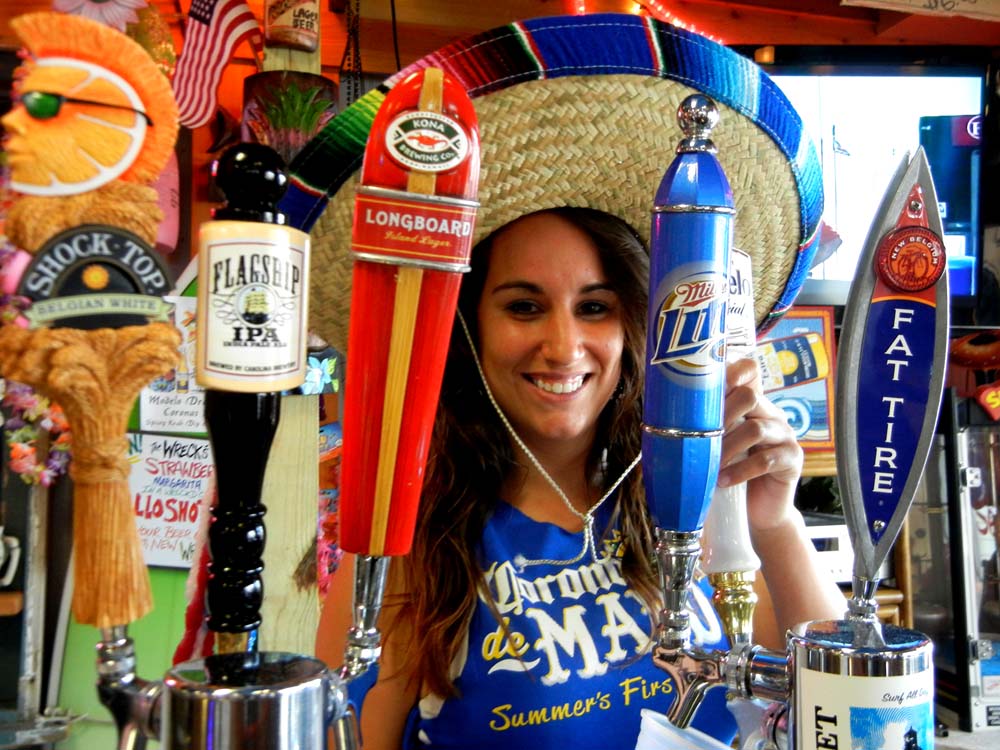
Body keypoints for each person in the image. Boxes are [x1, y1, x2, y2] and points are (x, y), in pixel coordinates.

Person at [298, 13, 839, 750]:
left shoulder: (695, 506)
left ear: (636, 329)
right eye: (524, 306)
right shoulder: (408, 548)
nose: (564, 345)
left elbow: (847, 712)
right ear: (467, 329)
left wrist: (775, 522)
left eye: (595, 307)